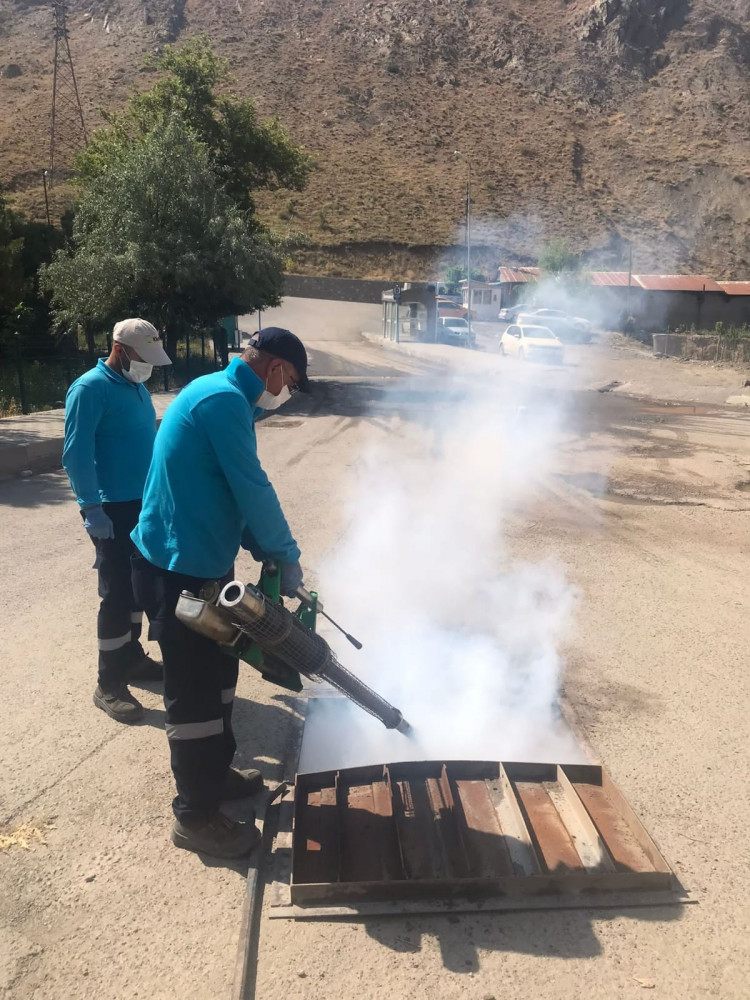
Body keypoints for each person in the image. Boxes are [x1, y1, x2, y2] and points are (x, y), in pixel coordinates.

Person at [131, 327, 309, 858]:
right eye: (292, 382)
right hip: (175, 568)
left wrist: (263, 547)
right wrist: (287, 551)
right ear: (275, 369)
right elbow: (252, 485)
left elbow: (226, 491)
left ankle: (214, 774)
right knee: (193, 692)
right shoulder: (222, 401)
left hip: (201, 561)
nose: (287, 393)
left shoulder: (222, 396)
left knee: (221, 675)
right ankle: (195, 815)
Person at [62, 318, 172, 724]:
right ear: (121, 350)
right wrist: (91, 507)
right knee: (116, 595)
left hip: (143, 505)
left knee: (139, 587)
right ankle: (108, 683)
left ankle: (132, 657)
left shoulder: (136, 387)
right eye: (144, 357)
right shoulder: (90, 388)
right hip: (111, 510)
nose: (149, 367)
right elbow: (75, 454)